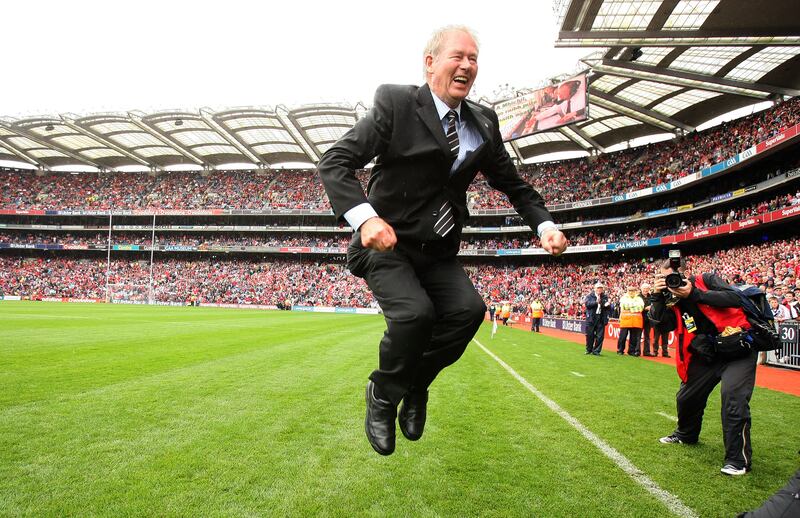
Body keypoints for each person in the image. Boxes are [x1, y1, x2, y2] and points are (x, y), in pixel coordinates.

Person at [317, 25, 568, 456]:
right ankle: (382, 394)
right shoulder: (396, 103)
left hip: (438, 251)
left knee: (468, 312)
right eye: (458, 56)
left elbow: (514, 186)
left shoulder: (483, 122)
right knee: (415, 316)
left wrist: (544, 226)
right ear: (430, 62)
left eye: (474, 58)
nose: (467, 65)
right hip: (386, 244)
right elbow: (335, 161)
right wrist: (365, 219)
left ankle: (416, 386)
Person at [649, 257, 757, 476]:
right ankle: (686, 434)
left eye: (672, 276)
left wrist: (695, 294)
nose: (670, 281)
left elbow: (736, 299)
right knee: (686, 397)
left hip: (738, 348)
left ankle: (737, 459)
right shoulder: (671, 299)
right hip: (708, 354)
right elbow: (660, 325)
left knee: (733, 397)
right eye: (662, 277)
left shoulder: (705, 280)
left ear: (684, 273)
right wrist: (657, 296)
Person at [617, 285, 645, 356]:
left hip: (635, 320)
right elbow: (624, 307)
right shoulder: (624, 298)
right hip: (625, 320)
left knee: (633, 337)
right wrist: (634, 307)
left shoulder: (639, 299)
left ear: (635, 291)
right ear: (627, 291)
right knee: (622, 336)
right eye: (630, 291)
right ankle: (620, 350)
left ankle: (631, 351)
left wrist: (629, 307)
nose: (631, 292)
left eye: (632, 291)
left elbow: (640, 307)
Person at [584, 282, 611, 355]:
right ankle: (589, 349)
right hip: (591, 318)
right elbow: (587, 304)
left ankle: (596, 351)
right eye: (598, 288)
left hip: (601, 318)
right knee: (590, 335)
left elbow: (608, 307)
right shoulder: (590, 296)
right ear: (595, 289)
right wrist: (596, 302)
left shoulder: (604, 297)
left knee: (600, 336)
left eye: (601, 288)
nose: (599, 289)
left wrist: (608, 305)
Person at [640, 283, 654, 356]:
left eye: (647, 288)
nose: (645, 290)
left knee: (647, 336)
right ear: (641, 289)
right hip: (640, 317)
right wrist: (645, 308)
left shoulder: (651, 297)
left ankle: (647, 351)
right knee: (638, 335)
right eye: (644, 288)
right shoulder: (638, 297)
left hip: (648, 319)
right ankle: (637, 351)